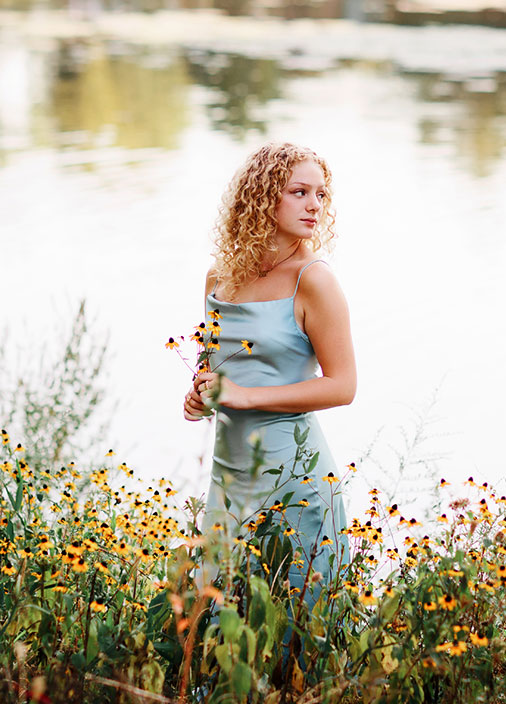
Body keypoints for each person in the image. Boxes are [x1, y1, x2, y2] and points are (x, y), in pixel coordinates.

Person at [183, 142, 355, 601]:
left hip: (293, 475)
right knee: (221, 627)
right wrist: (200, 396)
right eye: (299, 192)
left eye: (321, 194)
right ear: (262, 196)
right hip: (230, 475)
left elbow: (343, 386)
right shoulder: (219, 277)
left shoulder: (314, 280)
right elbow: (217, 365)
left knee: (298, 631)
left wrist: (244, 397)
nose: (314, 205)